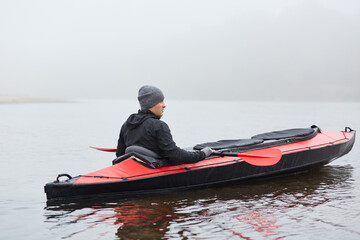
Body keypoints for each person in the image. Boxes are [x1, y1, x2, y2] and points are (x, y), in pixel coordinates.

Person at [116, 85, 213, 167]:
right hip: (153, 168)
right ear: (151, 103)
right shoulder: (159, 126)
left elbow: (120, 154)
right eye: (161, 101)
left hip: (133, 168)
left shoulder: (126, 125)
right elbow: (176, 156)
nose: (164, 105)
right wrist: (204, 153)